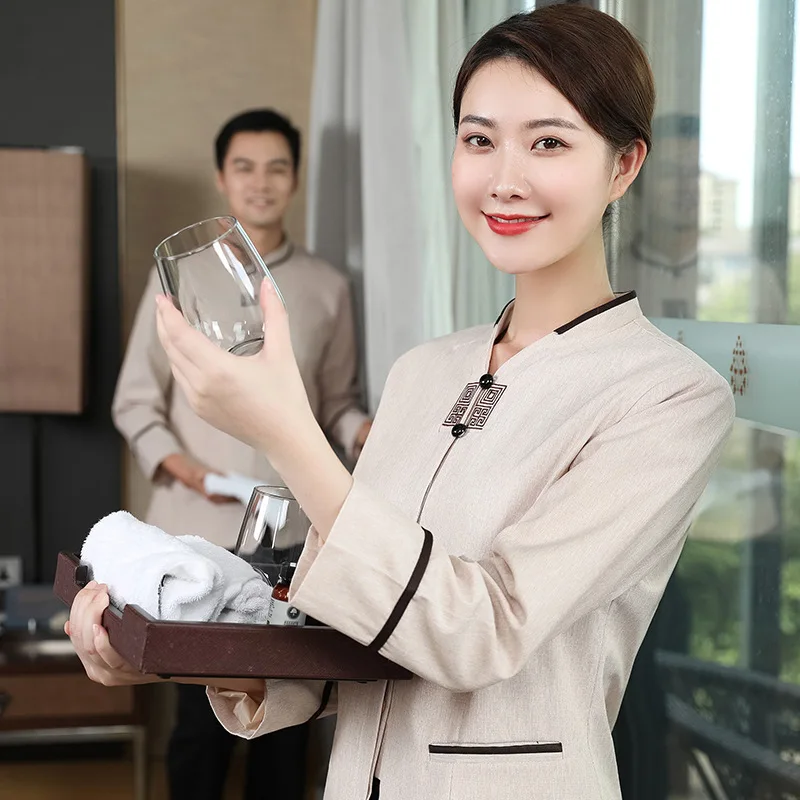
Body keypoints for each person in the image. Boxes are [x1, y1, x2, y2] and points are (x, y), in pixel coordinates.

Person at [69, 7, 735, 800]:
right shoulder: (426, 371)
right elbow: (349, 630)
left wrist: (286, 433)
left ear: (624, 165)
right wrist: (161, 652)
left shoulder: (670, 396)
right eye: (479, 138)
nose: (504, 177)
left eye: (549, 141)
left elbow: (481, 631)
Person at [112, 108, 372, 800]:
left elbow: (337, 401)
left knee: (284, 718)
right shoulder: (175, 281)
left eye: (277, 168)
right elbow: (134, 401)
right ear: (222, 179)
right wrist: (188, 469)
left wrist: (362, 431)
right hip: (195, 528)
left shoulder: (327, 288)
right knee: (197, 729)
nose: (261, 183)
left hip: (289, 538)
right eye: (245, 168)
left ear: (296, 179)